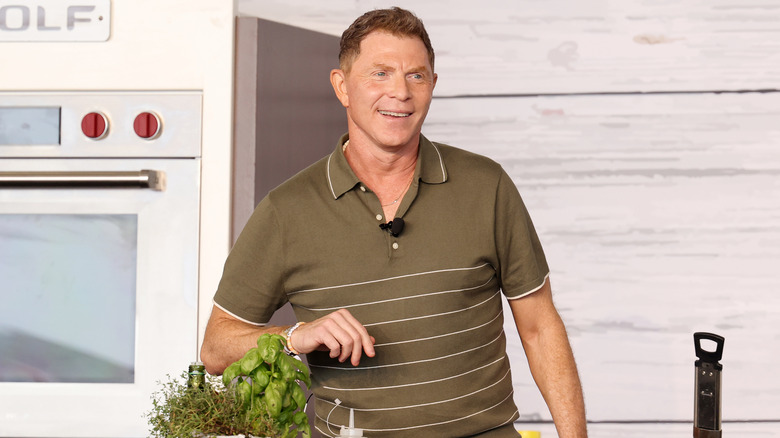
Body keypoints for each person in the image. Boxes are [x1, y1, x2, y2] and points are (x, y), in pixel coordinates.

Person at [201, 7, 587, 437]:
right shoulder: (285, 211)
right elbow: (216, 348)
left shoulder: (487, 186)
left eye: (416, 76)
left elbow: (539, 326)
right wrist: (296, 334)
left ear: (433, 86)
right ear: (342, 86)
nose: (400, 92)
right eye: (380, 73)